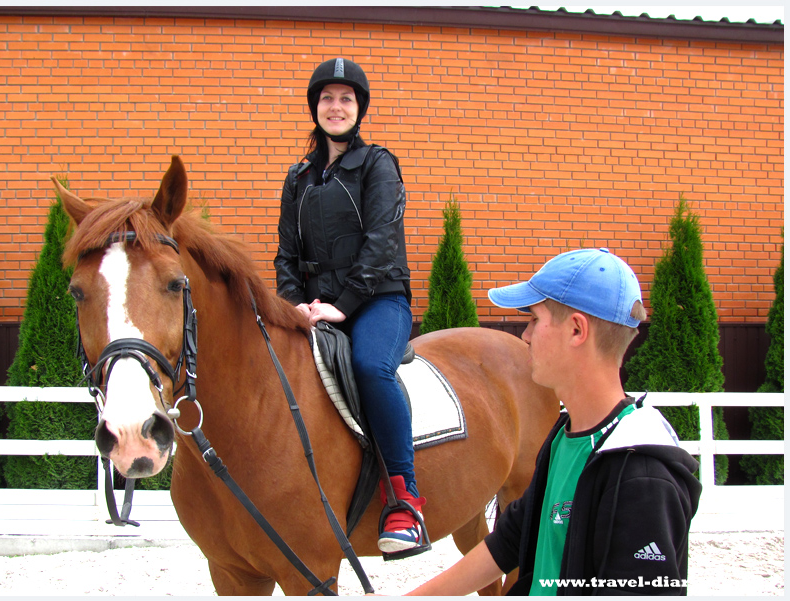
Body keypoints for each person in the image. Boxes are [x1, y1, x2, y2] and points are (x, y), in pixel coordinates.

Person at [404, 248, 702, 595]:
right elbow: (509, 541)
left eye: (534, 319)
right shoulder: (564, 437)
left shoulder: (642, 476)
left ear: (576, 330)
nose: (525, 335)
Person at [274, 57, 427, 556]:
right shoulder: (297, 178)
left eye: (346, 99)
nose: (335, 107)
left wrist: (343, 305)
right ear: (315, 107)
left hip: (379, 300)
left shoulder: (378, 164)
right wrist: (295, 305)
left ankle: (404, 498)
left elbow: (382, 241)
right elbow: (286, 254)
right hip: (316, 306)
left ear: (358, 108)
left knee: (368, 366)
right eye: (327, 98)